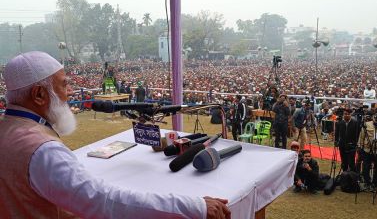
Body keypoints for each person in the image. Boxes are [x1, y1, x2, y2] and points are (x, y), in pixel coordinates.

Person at [0, 51, 231, 219]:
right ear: (39, 95)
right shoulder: (43, 150)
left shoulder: (7, 129)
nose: (69, 93)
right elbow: (104, 202)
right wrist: (196, 207)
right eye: (63, 85)